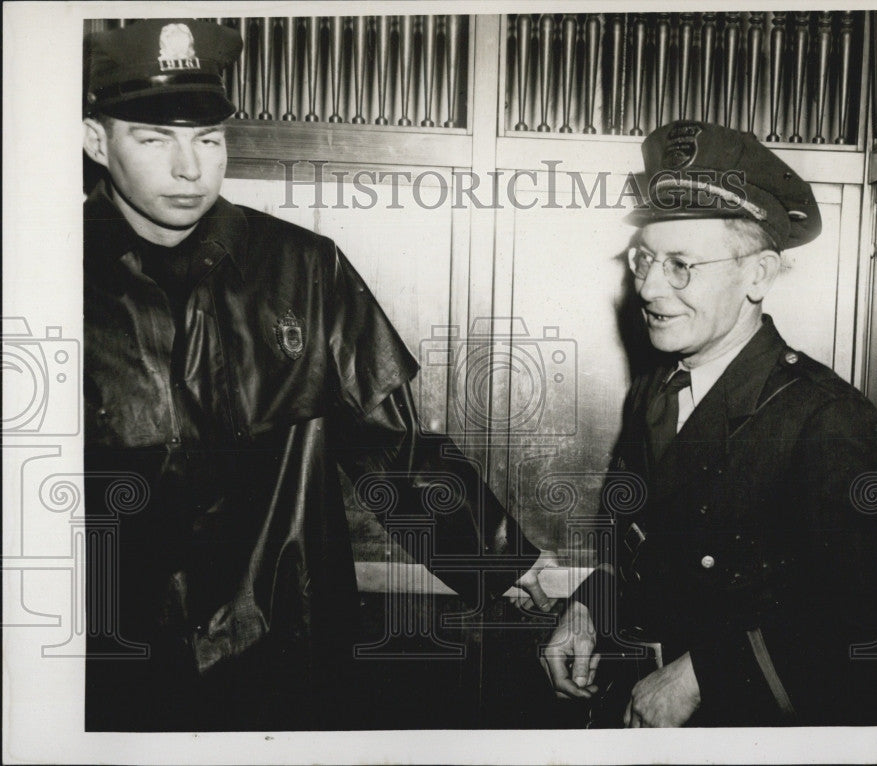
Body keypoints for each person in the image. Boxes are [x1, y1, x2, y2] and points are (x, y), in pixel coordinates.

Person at [81, 19, 547, 731]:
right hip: (111, 668)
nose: (190, 169)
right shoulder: (40, 273)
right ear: (95, 141)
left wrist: (514, 572)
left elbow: (395, 453)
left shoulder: (302, 268)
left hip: (285, 652)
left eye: (208, 139)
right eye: (153, 138)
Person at [541, 121, 877, 727]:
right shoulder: (657, 389)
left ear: (758, 274)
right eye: (643, 257)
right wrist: (590, 604)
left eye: (681, 264)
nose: (649, 286)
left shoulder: (829, 420)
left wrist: (705, 674)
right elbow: (646, 554)